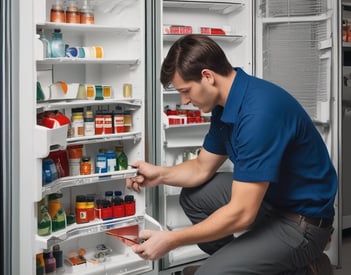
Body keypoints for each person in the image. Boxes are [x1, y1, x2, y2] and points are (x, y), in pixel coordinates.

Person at [126, 34, 337, 274]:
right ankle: (245, 262)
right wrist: (160, 174)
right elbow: (201, 167)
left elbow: (243, 214)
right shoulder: (226, 104)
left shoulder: (259, 114)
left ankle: (305, 266)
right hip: (271, 202)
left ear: (208, 76)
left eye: (186, 91)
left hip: (302, 224)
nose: (184, 101)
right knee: (195, 196)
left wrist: (171, 239)